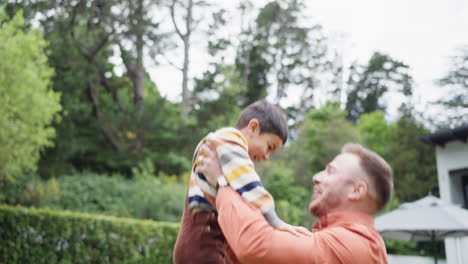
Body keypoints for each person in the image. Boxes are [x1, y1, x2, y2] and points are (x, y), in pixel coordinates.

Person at [196, 142, 393, 264]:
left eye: (331, 171)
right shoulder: (342, 241)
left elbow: (256, 247)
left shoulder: (354, 244)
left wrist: (223, 184)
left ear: (357, 191)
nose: (316, 177)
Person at [173, 100, 307, 264]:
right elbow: (248, 184)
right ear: (252, 127)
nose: (266, 157)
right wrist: (274, 221)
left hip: (202, 243)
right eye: (269, 147)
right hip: (203, 243)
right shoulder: (229, 141)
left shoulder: (222, 146)